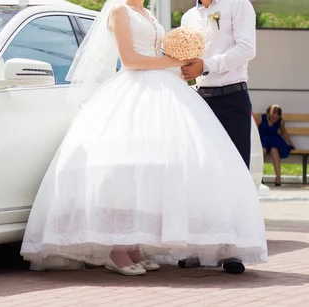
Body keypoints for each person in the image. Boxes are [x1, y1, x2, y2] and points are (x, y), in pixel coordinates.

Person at [19, 0, 268, 277]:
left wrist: (191, 65)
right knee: (129, 168)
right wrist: (176, 63)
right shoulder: (125, 11)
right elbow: (131, 60)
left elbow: (244, 48)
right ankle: (119, 247)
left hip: (191, 90)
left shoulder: (150, 14)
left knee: (173, 170)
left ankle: (144, 246)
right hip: (139, 88)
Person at [180, 0, 261, 273]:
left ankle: (232, 251)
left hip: (233, 98)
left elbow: (247, 49)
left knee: (235, 173)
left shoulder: (238, 5)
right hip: (200, 100)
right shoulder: (189, 16)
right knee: (201, 174)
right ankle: (200, 248)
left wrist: (206, 65)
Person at [256, 105, 296, 186]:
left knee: (275, 152)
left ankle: (278, 177)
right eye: (273, 116)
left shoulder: (281, 121)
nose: (275, 118)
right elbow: (255, 130)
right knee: (262, 151)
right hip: (262, 139)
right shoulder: (261, 118)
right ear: (269, 113)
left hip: (274, 140)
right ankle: (260, 177)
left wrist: (291, 144)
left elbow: (284, 133)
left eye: (277, 117)